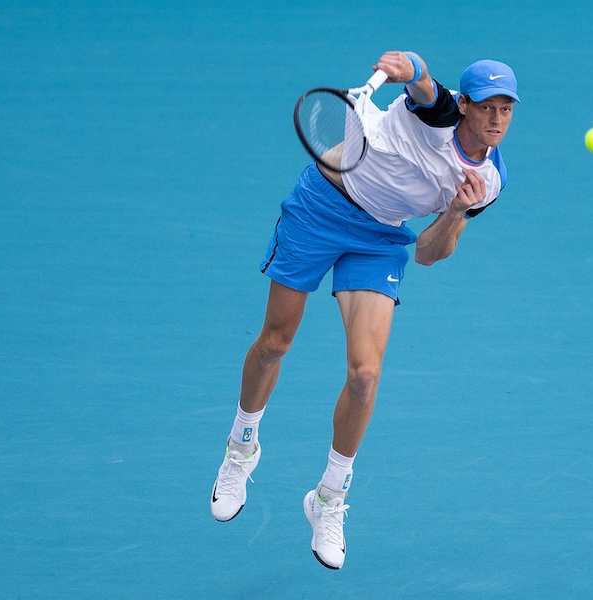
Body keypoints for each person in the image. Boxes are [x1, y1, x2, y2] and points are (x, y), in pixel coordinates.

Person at [209, 50, 519, 570]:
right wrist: (406, 66)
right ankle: (241, 447)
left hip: (380, 239)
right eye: (486, 107)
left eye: (506, 109)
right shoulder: (438, 110)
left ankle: (328, 497)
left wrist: (457, 210)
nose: (495, 119)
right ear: (464, 105)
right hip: (320, 209)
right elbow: (422, 80)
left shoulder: (489, 181)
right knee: (276, 341)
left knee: (366, 376)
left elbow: (428, 252)